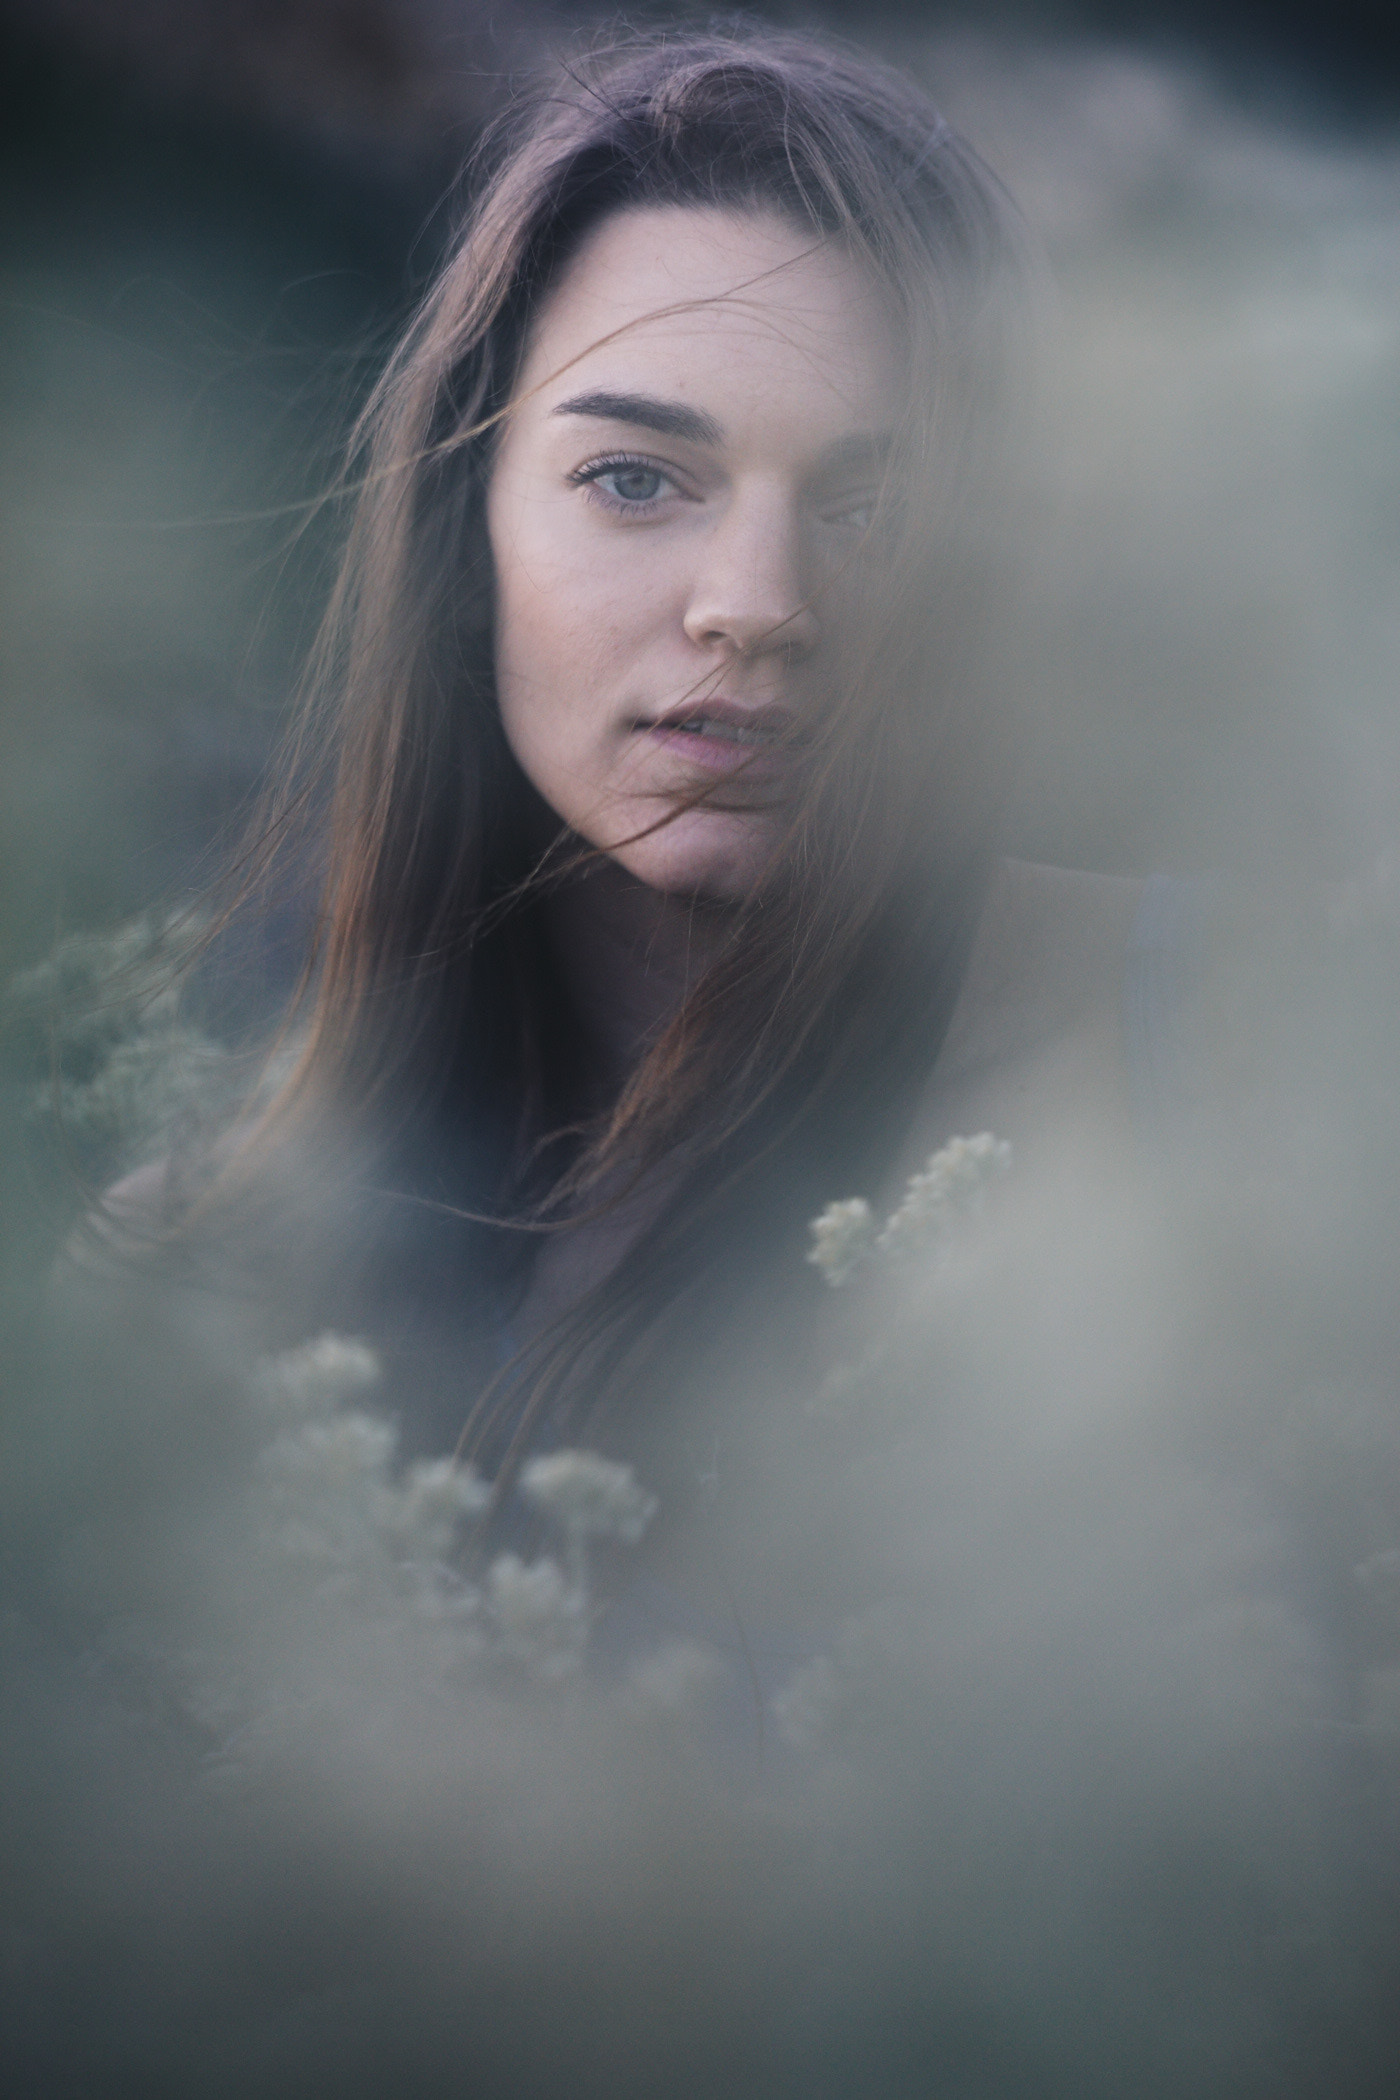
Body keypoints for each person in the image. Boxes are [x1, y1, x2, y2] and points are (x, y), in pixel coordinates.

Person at [95, 26, 1149, 1508]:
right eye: (635, 479)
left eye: (878, 508)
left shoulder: (1228, 1078)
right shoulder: (194, 1280)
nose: (756, 605)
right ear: (467, 529)